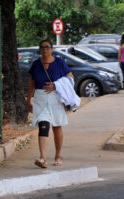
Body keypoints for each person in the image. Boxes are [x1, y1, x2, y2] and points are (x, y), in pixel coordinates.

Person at [26, 39, 74, 168]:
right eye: (42, 47)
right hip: (40, 98)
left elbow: (70, 77)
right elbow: (31, 83)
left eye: (47, 47)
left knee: (57, 127)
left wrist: (56, 85)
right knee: (43, 124)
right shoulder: (36, 64)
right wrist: (28, 100)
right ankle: (42, 158)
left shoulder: (59, 62)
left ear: (52, 49)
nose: (44, 49)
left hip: (56, 98)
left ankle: (58, 155)